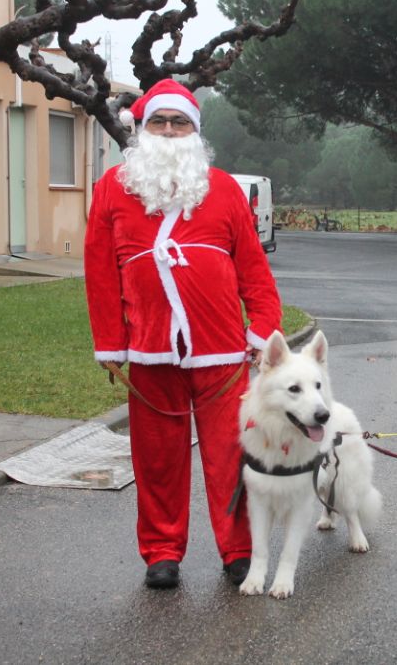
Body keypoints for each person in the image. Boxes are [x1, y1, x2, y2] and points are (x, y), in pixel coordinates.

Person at [84, 79, 282, 590]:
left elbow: (255, 270)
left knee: (232, 456)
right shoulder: (113, 187)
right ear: (142, 129)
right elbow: (101, 272)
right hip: (148, 349)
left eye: (179, 123)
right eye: (160, 122)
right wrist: (110, 343)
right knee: (156, 460)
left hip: (221, 351)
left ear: (195, 131)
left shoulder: (224, 190)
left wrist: (262, 332)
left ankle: (239, 550)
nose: (169, 132)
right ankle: (161, 552)